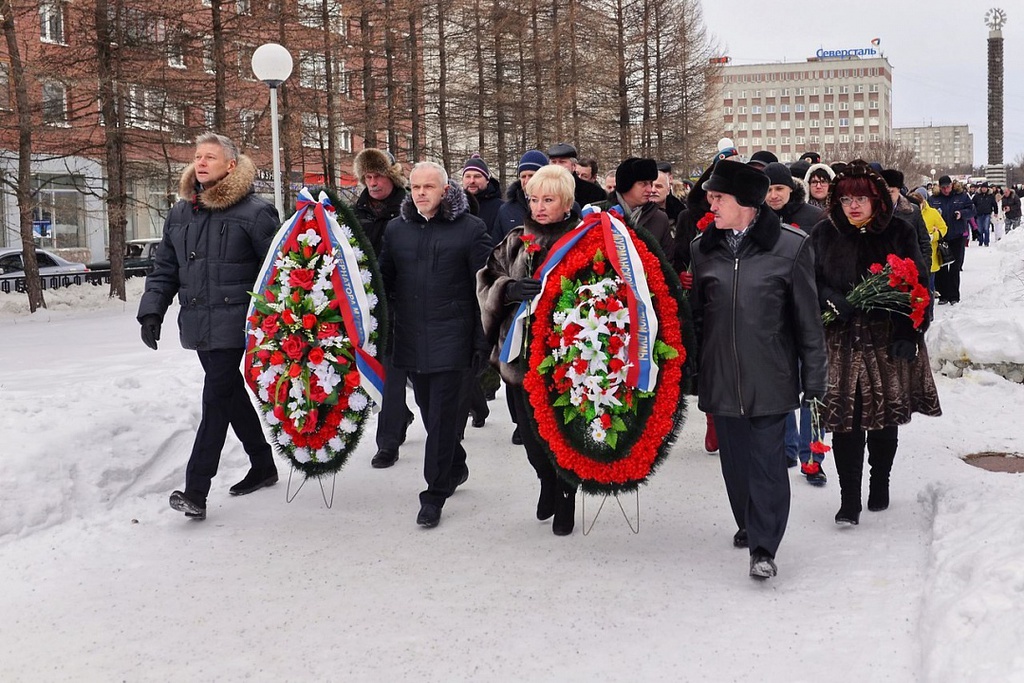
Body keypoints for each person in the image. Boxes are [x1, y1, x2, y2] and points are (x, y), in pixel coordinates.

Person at [689, 159, 828, 580]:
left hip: (771, 374)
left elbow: (808, 320)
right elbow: (698, 318)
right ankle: (749, 524)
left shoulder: (790, 246)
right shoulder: (703, 248)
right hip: (721, 376)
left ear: (747, 203)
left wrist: (815, 377)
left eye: (718, 198)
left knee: (767, 462)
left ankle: (765, 547)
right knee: (735, 463)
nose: (710, 205)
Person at [138, 132, 280, 521]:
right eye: (197, 156)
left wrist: (274, 321)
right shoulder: (181, 212)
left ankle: (196, 489)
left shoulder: (255, 211)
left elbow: (277, 271)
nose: (201, 163)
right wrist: (152, 310)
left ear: (231, 165)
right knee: (229, 392)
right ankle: (263, 465)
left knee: (215, 399)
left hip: (238, 321)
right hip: (199, 318)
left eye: (210, 157)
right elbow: (165, 266)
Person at [810, 162, 941, 527]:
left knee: (884, 420)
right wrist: (832, 299)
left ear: (877, 200)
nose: (854, 205)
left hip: (886, 341)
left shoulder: (898, 231)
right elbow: (810, 281)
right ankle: (848, 499)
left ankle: (879, 480)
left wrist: (908, 334)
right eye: (847, 198)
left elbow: (917, 287)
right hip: (842, 341)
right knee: (845, 422)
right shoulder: (825, 233)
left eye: (862, 198)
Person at [378, 162, 492, 528]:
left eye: (429, 186)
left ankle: (433, 495)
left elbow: (484, 289)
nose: (421, 193)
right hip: (411, 339)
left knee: (442, 420)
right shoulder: (396, 230)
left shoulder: (471, 229)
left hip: (453, 340)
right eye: (415, 187)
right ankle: (455, 466)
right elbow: (382, 283)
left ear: (445, 190)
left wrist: (480, 341)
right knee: (431, 415)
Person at [478, 165, 581, 536]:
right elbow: (486, 276)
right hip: (519, 358)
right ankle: (545, 481)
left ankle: (566, 493)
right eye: (534, 199)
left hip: (566, 361)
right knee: (530, 432)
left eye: (548, 200)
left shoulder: (582, 239)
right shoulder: (516, 240)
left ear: (566, 202)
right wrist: (507, 289)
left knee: (562, 434)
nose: (539, 207)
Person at [761, 162, 826, 485]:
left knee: (813, 387)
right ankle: (786, 448)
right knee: (781, 385)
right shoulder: (758, 220)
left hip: (810, 312)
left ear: (791, 189)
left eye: (779, 189)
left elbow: (827, 264)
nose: (773, 196)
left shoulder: (813, 219)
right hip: (774, 317)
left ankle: (812, 456)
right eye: (768, 189)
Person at [352, 148, 416, 470]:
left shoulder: (409, 208)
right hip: (367, 305)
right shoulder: (357, 211)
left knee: (407, 373)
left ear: (390, 176)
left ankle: (393, 434)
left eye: (378, 175)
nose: (373, 182)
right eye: (367, 176)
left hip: (404, 301)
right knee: (386, 371)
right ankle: (389, 438)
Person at [595, 157, 675, 257]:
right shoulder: (599, 215)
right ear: (627, 184)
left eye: (650, 183)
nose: (650, 189)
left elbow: (668, 262)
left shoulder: (660, 219)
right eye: (643, 184)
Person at [928, 175, 975, 305]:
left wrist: (962, 214)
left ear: (952, 185)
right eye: (943, 188)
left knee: (955, 267)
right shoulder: (934, 199)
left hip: (957, 235)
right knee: (941, 267)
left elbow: (972, 210)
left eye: (948, 187)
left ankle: (954, 295)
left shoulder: (961, 196)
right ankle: (943, 295)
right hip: (941, 237)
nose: (946, 190)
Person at [908, 188, 948, 321]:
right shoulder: (908, 213)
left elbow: (944, 228)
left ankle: (929, 316)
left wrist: (934, 236)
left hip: (929, 257)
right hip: (911, 257)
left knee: (928, 289)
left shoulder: (932, 213)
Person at [495, 150, 548, 241]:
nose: (527, 181)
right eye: (523, 176)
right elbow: (496, 246)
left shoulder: (560, 206)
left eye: (531, 176)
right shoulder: (506, 210)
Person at [546, 142, 608, 207]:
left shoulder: (595, 193)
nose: (557, 166)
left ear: (574, 166)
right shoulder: (542, 189)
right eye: (553, 162)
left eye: (562, 162)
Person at [461, 154, 503, 240]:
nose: (472, 181)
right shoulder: (455, 208)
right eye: (468, 176)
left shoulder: (501, 208)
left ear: (487, 180)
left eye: (477, 176)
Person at [971, 182, 997, 247]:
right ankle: (980, 241)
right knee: (979, 229)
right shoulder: (977, 196)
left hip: (987, 213)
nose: (984, 189)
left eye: (985, 188)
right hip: (979, 214)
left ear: (987, 188)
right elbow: (972, 203)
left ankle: (986, 241)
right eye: (983, 188)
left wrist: (996, 212)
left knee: (986, 228)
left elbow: (994, 204)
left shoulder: (991, 196)